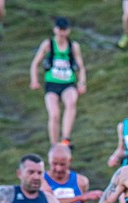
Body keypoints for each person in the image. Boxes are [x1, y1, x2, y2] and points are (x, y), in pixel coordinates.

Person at [29, 17, 87, 147]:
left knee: (71, 102)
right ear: (55, 30)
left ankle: (66, 137)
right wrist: (34, 80)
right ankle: (54, 144)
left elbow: (81, 67)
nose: (62, 33)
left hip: (68, 83)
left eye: (64, 30)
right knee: (54, 114)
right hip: (52, 84)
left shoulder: (73, 46)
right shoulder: (48, 44)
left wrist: (82, 82)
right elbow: (35, 63)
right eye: (60, 30)